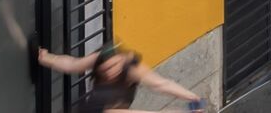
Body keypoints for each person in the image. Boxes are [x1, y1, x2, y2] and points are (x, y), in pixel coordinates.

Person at [36, 43, 205, 111]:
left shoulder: (132, 67)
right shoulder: (96, 58)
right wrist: (47, 58)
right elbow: (72, 64)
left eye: (115, 66)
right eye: (105, 69)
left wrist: (191, 96)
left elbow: (161, 84)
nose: (110, 71)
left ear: (122, 60)